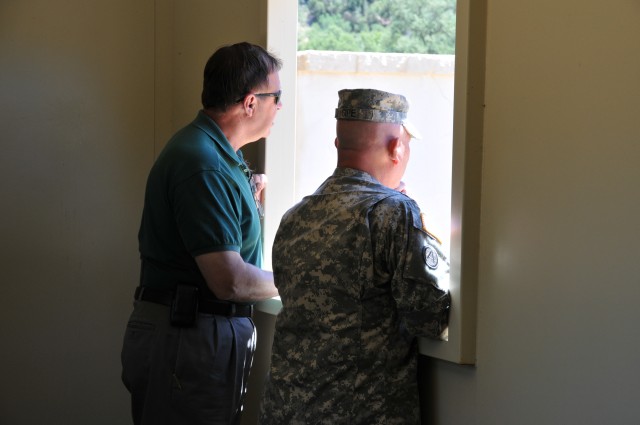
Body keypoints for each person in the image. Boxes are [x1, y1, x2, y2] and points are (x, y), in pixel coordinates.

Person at [260, 88, 451, 424]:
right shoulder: (393, 212)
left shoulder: (295, 216)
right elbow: (430, 316)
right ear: (397, 149)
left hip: (287, 412)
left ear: (338, 146)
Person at [121, 42, 282, 425]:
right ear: (249, 103)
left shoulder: (217, 154)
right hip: (187, 339)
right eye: (276, 97)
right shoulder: (203, 164)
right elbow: (229, 281)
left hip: (195, 336)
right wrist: (296, 280)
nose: (280, 107)